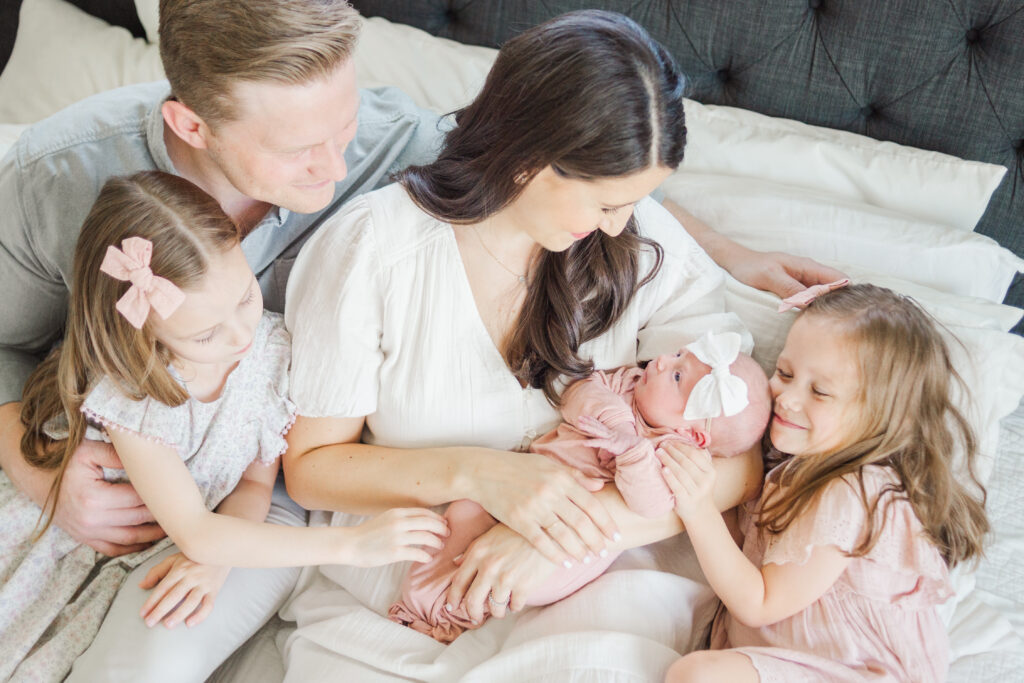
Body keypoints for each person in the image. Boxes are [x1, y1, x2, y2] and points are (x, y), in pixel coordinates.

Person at [279, 11, 765, 680]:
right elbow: (310, 467)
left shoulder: (633, 242)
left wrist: (572, 531)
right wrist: (479, 473)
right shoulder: (376, 251)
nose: (621, 222)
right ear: (530, 161)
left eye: (636, 201)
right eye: (604, 202)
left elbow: (741, 466)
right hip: (420, 569)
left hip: (600, 573)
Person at [0, 171, 448, 682]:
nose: (241, 335)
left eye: (243, 298)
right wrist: (353, 545)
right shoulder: (135, 392)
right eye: (206, 333)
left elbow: (255, 482)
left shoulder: (270, 349)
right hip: (72, 541)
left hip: (181, 532)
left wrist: (215, 558)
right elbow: (195, 528)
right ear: (141, 330)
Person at [661, 283, 989, 682]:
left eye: (819, 391)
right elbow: (737, 557)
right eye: (784, 373)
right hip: (790, 658)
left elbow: (760, 602)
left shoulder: (852, 493)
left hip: (857, 672)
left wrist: (698, 509)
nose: (787, 397)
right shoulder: (789, 471)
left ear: (882, 417)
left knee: (698, 675)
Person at [390, 330, 772, 643]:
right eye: (676, 355)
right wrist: (618, 421)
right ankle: (424, 601)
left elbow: (652, 505)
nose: (661, 362)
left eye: (676, 377)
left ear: (692, 433)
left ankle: (442, 616)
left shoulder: (670, 450)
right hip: (526, 486)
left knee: (513, 575)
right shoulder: (626, 384)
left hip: (573, 541)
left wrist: (633, 452)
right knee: (462, 514)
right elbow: (577, 394)